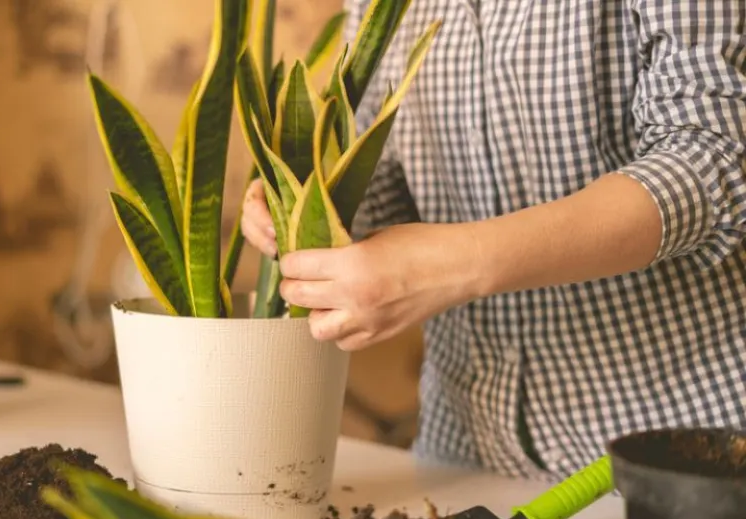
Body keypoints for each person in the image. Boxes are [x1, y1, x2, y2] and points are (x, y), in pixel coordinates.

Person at [240, 0, 746, 480]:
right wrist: (306, 204)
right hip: (463, 448)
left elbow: (711, 159)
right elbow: (387, 181)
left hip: (679, 450)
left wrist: (450, 266)